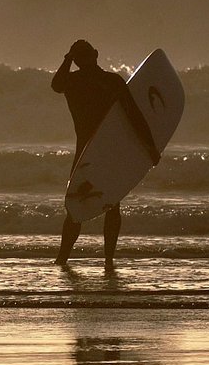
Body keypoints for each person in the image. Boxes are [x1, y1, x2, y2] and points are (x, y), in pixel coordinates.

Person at [52, 40, 160, 270]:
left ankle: (104, 260)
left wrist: (151, 147)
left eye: (83, 56)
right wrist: (151, 147)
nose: (83, 61)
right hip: (92, 151)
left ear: (95, 55)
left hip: (102, 151)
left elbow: (133, 115)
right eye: (78, 58)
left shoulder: (104, 82)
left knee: (107, 205)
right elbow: (56, 85)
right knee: (77, 205)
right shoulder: (79, 81)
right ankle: (67, 258)